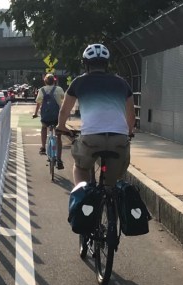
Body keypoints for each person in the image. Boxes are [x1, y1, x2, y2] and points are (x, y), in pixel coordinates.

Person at [56, 43, 136, 186]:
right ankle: (113, 200)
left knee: (80, 167)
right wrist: (129, 131)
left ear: (85, 64)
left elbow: (64, 111)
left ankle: (82, 198)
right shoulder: (122, 83)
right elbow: (131, 114)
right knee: (114, 182)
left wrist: (62, 126)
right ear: (106, 64)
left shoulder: (78, 82)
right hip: (118, 138)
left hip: (91, 138)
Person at [33, 73, 66, 169]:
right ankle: (59, 159)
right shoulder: (59, 89)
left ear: (45, 81)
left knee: (44, 128)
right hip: (57, 116)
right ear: (54, 81)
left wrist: (35, 113)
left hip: (46, 116)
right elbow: (64, 100)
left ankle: (43, 147)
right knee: (58, 136)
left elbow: (38, 103)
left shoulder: (42, 90)